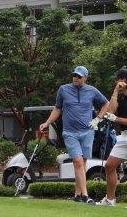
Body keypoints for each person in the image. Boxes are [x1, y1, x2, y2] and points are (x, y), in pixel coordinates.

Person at [38, 65, 108, 203]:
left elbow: (106, 104)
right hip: (70, 133)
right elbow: (57, 109)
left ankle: (77, 194)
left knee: (82, 163)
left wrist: (98, 119)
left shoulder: (92, 91)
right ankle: (86, 195)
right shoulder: (63, 89)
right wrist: (46, 123)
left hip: (87, 132)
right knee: (77, 161)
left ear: (85, 78)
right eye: (74, 75)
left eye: (79, 76)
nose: (75, 78)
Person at [94, 68, 127, 211]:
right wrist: (116, 91)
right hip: (124, 136)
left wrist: (116, 118)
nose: (116, 81)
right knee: (110, 166)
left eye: (119, 79)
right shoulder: (121, 96)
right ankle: (110, 199)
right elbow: (110, 110)